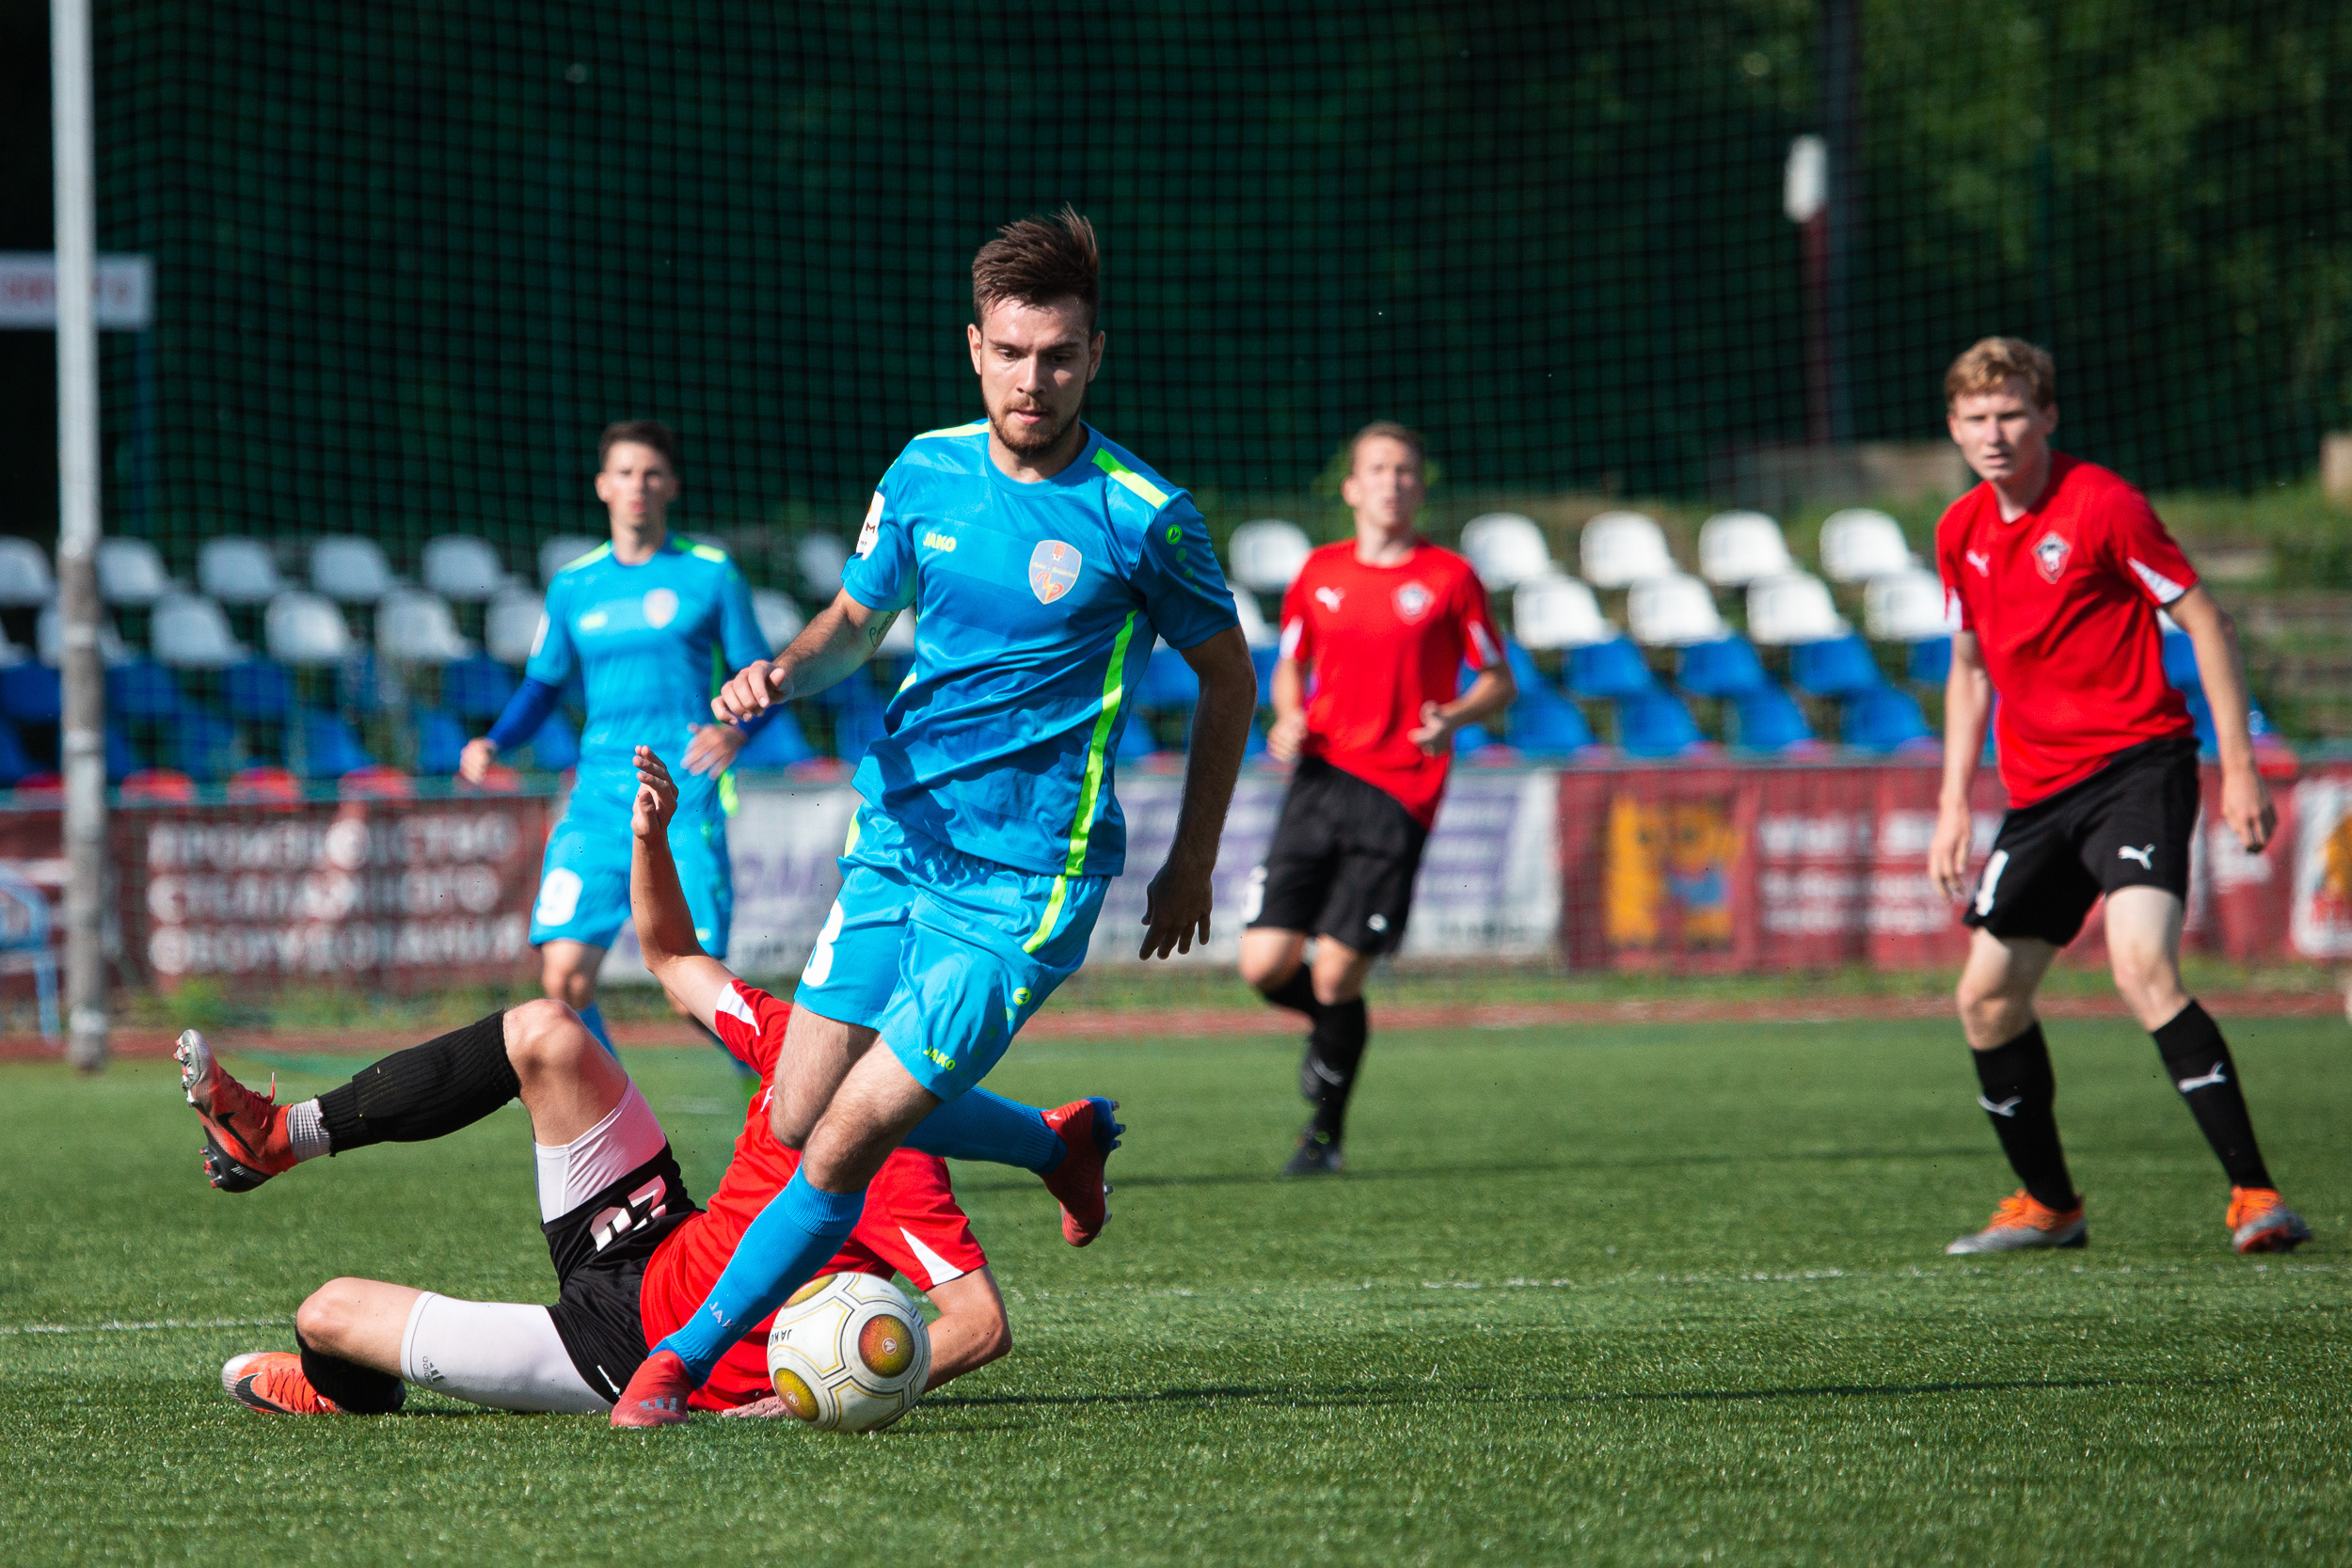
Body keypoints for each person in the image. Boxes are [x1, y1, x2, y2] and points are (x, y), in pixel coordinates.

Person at [609, 208, 1259, 1426]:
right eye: (1012, 352)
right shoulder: (923, 472)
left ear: (1095, 355)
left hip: (1025, 882)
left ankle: (677, 1363)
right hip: (898, 839)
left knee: (843, 1137)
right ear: (975, 347)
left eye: (1058, 355)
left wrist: (1194, 860)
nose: (1034, 378)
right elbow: (852, 625)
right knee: (798, 1104)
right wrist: (774, 679)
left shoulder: (1142, 515)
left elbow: (1232, 677)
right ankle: (1054, 1145)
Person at [184, 746, 1119, 1418]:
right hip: (648, 1234)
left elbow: (980, 1323)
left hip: (617, 1351)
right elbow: (673, 957)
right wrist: (652, 837)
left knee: (328, 1312)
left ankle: (348, 1390)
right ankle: (284, 1135)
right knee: (548, 1029)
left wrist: (791, 1401)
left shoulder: (897, 1159)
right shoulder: (800, 1038)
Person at [1928, 336, 2309, 1257]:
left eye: (2012, 412)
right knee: (1984, 997)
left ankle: (2256, 1196)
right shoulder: (1959, 530)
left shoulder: (2103, 506)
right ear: (1952, 425)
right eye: (1976, 417)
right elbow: (1969, 669)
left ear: (2048, 415)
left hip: (2138, 768)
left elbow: (2205, 620)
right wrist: (1950, 801)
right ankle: (2050, 1204)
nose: (1995, 432)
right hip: (2039, 795)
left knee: (2140, 965)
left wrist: (2241, 764)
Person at [1236, 422, 1515, 1175]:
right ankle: (1334, 1032)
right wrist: (1289, 716)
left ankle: (1324, 1134)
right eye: (1378, 469)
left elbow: (1499, 679)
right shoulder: (1317, 572)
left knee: (1334, 974)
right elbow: (1292, 663)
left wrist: (1453, 715)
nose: (1392, 481)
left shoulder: (1452, 578)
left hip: (1399, 790)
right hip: (1319, 779)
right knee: (1263, 965)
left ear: (1420, 488)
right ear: (1352, 487)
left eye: (1405, 471)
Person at [461, 420, 774, 1059]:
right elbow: (543, 685)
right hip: (599, 798)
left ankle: (776, 1082)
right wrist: (493, 741)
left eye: (651, 472)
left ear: (672, 486)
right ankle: (616, 1116)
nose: (638, 484)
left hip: (684, 794)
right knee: (564, 978)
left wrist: (736, 731)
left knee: (690, 989)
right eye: (625, 472)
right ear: (603, 485)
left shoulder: (711, 573)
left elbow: (761, 675)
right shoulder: (574, 583)